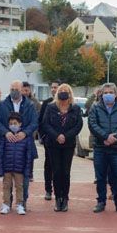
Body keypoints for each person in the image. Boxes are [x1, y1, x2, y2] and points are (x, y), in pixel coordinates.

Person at [89, 83, 117, 214]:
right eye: (105, 92)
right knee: (100, 177)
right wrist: (105, 136)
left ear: (116, 94)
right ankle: (101, 202)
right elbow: (92, 124)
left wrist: (115, 137)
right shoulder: (95, 107)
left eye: (111, 92)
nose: (108, 95)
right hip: (100, 147)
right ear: (101, 94)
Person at [0, 80, 38, 208]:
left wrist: (25, 133)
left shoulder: (30, 105)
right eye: (12, 89)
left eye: (16, 89)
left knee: (24, 178)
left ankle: (22, 202)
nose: (14, 91)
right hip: (7, 146)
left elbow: (35, 122)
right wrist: (5, 132)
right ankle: (7, 202)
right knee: (7, 178)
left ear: (22, 90)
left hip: (24, 147)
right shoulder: (2, 105)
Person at [40, 83, 83, 212]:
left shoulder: (75, 108)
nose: (63, 92)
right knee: (56, 171)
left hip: (68, 145)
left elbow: (78, 125)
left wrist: (66, 136)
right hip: (53, 144)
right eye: (61, 90)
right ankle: (58, 197)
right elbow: (45, 124)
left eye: (66, 91)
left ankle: (65, 198)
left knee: (66, 172)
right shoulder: (51, 107)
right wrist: (57, 136)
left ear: (70, 94)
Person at [0, 112, 34, 215]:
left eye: (15, 123)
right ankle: (6, 204)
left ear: (20, 124)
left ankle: (20, 205)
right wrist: (0, 168)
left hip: (19, 168)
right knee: (6, 186)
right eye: (10, 123)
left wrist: (27, 169)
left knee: (19, 187)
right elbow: (1, 153)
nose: (13, 125)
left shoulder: (25, 138)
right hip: (7, 167)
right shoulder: (5, 137)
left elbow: (28, 155)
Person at [38, 80, 60, 200]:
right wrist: (43, 136)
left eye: (55, 87)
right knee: (49, 165)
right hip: (49, 141)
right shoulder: (46, 103)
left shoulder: (67, 103)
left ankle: (59, 191)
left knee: (61, 167)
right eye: (52, 87)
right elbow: (41, 120)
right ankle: (48, 189)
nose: (53, 89)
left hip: (63, 141)